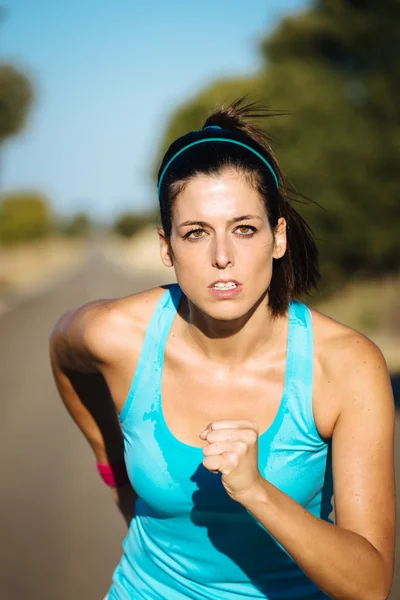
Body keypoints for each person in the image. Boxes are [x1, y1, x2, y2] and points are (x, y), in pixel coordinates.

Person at [49, 98, 395, 600]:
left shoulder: (343, 366)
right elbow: (63, 352)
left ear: (278, 237)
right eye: (196, 234)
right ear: (166, 247)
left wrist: (256, 491)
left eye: (245, 228)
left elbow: (370, 585)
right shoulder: (116, 334)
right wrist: (113, 463)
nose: (222, 257)